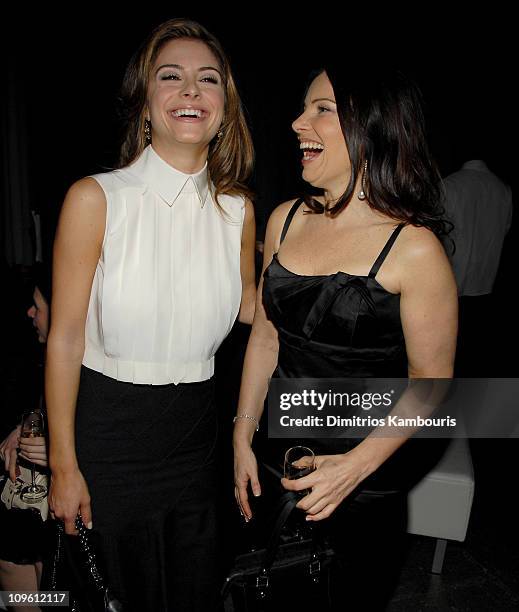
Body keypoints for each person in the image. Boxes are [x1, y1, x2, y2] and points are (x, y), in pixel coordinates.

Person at [45, 18, 255, 611]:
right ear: (144, 102)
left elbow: (254, 313)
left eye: (207, 79)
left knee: (192, 594)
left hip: (196, 437)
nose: (191, 90)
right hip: (108, 436)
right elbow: (62, 340)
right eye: (172, 77)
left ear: (224, 106)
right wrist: (64, 464)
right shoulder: (95, 198)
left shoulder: (239, 210)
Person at [233, 66, 457, 610]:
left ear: (371, 128)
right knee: (274, 590)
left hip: (367, 472)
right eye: (304, 107)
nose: (296, 122)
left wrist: (353, 468)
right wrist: (242, 434)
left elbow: (432, 385)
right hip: (281, 449)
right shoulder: (283, 220)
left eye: (321, 109)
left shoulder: (414, 248)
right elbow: (265, 335)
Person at [0, 276, 50, 612]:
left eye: (39, 306)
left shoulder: (89, 364)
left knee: (54, 595)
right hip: (29, 512)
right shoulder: (39, 358)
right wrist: (20, 429)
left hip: (67, 515)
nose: (30, 312)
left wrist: (61, 453)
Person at [442, 159, 513, 376]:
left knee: (448, 354)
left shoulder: (449, 185)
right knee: (477, 355)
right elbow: (506, 228)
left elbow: (437, 230)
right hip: (486, 282)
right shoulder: (503, 189)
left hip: (453, 283)